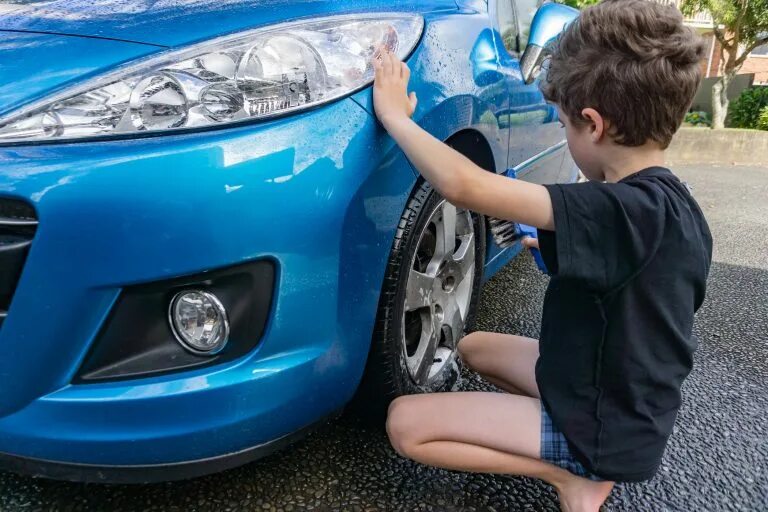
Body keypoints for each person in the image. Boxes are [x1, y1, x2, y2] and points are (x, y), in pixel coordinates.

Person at [372, 0, 712, 510]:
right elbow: (641, 289)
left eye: (564, 124)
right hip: (620, 395)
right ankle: (567, 448)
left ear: (593, 125)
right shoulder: (672, 207)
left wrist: (396, 117)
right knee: (474, 348)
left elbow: (463, 184)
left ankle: (574, 472)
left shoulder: (615, 208)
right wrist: (551, 253)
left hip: (605, 424)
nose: (566, 135)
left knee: (405, 425)